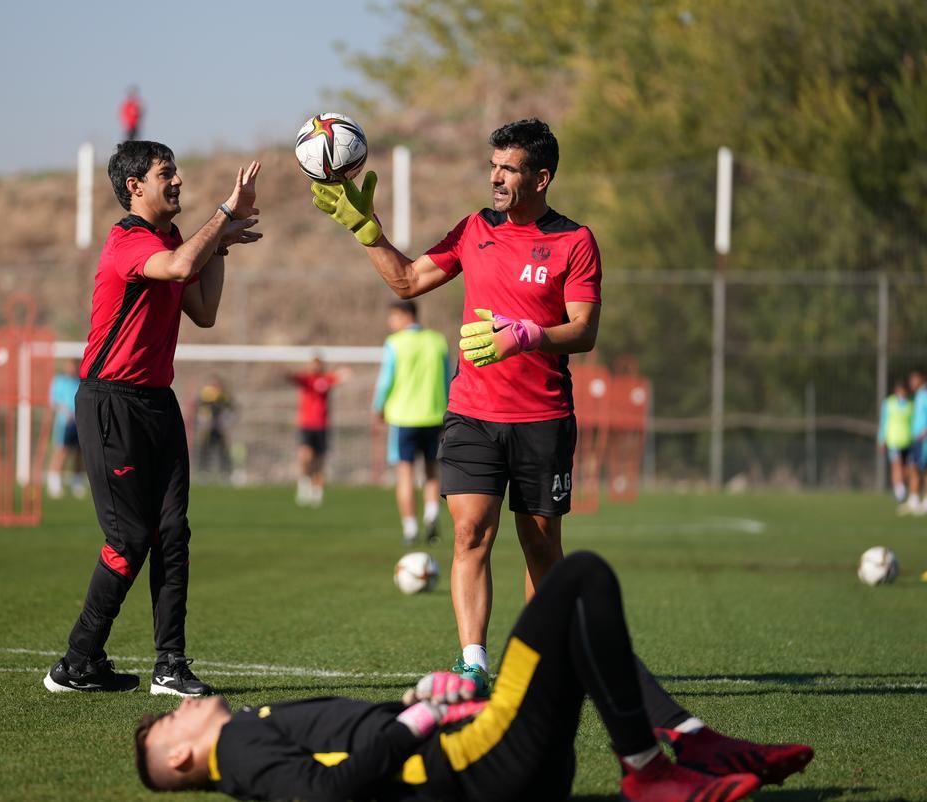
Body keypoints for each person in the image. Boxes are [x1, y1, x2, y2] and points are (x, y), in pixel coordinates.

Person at [134, 551, 814, 802]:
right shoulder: (239, 755)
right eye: (171, 722)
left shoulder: (246, 737)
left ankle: (690, 742)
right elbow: (326, 789)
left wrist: (417, 700)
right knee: (577, 578)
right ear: (181, 754)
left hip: (490, 756)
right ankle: (652, 767)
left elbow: (348, 742)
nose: (181, 711)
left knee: (580, 614)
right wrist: (419, 721)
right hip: (481, 759)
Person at [311, 118, 601, 690]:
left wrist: (529, 335)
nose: (494, 177)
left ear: (541, 178)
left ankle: (538, 660)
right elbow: (407, 282)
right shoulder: (473, 229)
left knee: (541, 547)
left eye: (508, 169)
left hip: (542, 416)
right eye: (492, 165)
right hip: (471, 412)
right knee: (470, 532)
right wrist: (365, 230)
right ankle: (474, 662)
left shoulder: (575, 240)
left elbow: (585, 330)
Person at [43, 140, 262, 697]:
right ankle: (75, 663)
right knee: (129, 538)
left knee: (171, 534)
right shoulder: (128, 242)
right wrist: (223, 217)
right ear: (135, 186)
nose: (178, 180)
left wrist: (221, 250)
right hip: (109, 402)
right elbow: (184, 263)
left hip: (156, 402)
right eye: (166, 173)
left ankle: (170, 667)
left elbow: (205, 312)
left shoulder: (169, 242)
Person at [373, 300, 451, 544]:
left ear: (405, 316)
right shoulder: (438, 341)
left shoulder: (394, 343)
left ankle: (410, 528)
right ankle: (431, 514)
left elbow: (386, 380)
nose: (390, 323)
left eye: (393, 317)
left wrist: (378, 407)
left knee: (405, 473)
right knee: (431, 471)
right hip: (434, 415)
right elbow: (447, 379)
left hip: (404, 417)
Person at [288, 356, 350, 507]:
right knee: (305, 455)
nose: (314, 368)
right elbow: (291, 377)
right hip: (306, 425)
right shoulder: (306, 380)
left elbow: (340, 377)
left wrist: (344, 374)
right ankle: (304, 482)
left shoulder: (325, 380)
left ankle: (317, 493)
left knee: (320, 461)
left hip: (322, 426)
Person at [47, 359, 85, 499]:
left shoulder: (80, 382)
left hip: (79, 422)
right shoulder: (59, 381)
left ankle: (77, 481)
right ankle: (54, 481)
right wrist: (65, 412)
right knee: (61, 451)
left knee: (79, 453)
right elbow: (54, 401)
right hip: (64, 422)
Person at [878, 379, 914, 508]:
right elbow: (884, 422)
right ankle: (900, 492)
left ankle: (901, 487)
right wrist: (881, 439)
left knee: (908, 468)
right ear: (896, 390)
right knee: (896, 465)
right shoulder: (889, 404)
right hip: (893, 440)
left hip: (908, 440)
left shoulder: (911, 404)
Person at [195, 375, 234, 481]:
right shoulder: (205, 395)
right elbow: (200, 410)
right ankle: (203, 471)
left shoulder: (225, 396)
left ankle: (225, 472)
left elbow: (230, 410)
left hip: (219, 427)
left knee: (222, 449)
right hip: (208, 427)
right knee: (204, 448)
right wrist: (202, 422)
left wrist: (226, 422)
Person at [905, 370, 926, 516]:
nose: (911, 382)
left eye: (914, 379)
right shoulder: (917, 396)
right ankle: (913, 500)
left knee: (925, 469)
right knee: (913, 467)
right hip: (916, 439)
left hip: (924, 439)